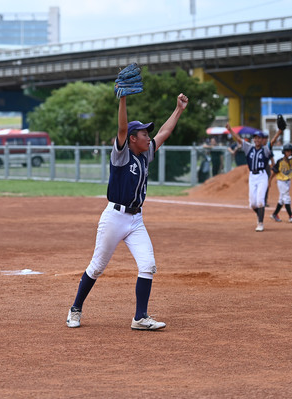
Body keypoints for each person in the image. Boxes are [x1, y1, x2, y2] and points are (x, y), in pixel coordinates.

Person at [66, 92, 189, 330]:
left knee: (148, 265)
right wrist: (122, 99)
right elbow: (122, 128)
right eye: (144, 133)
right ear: (132, 139)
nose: (149, 136)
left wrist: (178, 110)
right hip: (114, 218)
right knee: (97, 267)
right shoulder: (122, 155)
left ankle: (140, 317)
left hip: (136, 220)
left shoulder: (145, 155)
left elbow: (164, 133)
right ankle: (75, 309)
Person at [226, 123, 273, 232]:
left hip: (262, 175)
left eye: (259, 138)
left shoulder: (265, 149)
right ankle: (259, 216)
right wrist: (230, 130)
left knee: (260, 201)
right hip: (252, 176)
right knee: (252, 204)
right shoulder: (249, 148)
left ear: (262, 140)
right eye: (255, 138)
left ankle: (260, 223)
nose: (257, 140)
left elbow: (272, 143)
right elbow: (238, 139)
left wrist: (279, 132)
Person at [270, 143, 292, 223]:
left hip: (288, 181)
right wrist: (269, 182)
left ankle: (274, 214)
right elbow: (274, 172)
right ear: (284, 152)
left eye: (290, 151)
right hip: (281, 181)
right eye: (287, 151)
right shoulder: (280, 161)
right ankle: (291, 216)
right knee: (286, 198)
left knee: (281, 200)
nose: (289, 153)